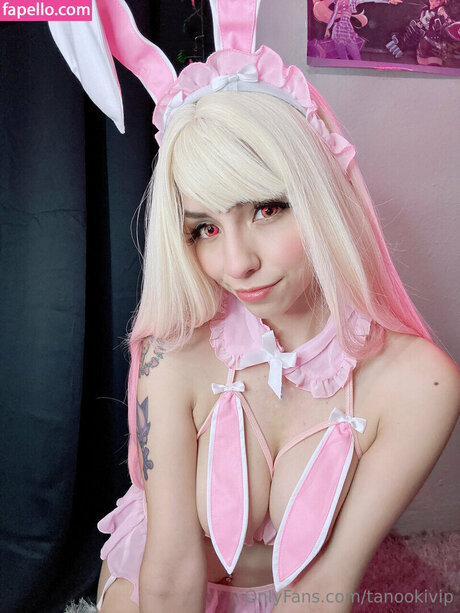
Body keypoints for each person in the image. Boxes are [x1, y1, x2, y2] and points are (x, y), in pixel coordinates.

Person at [50, 1, 459, 612]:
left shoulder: (421, 384)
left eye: (266, 209)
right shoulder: (174, 353)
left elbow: (327, 585)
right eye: (205, 228)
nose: (236, 263)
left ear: (321, 195)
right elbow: (171, 569)